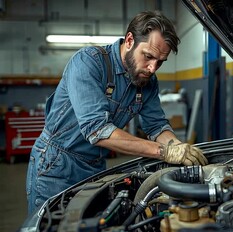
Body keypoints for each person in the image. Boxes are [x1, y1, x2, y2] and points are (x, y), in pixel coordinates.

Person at [26, 10, 207, 215]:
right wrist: (164, 152)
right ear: (129, 40)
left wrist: (178, 148)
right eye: (148, 56)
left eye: (160, 61)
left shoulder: (146, 81)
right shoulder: (88, 63)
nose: (152, 68)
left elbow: (156, 126)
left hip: (95, 167)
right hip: (56, 166)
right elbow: (97, 129)